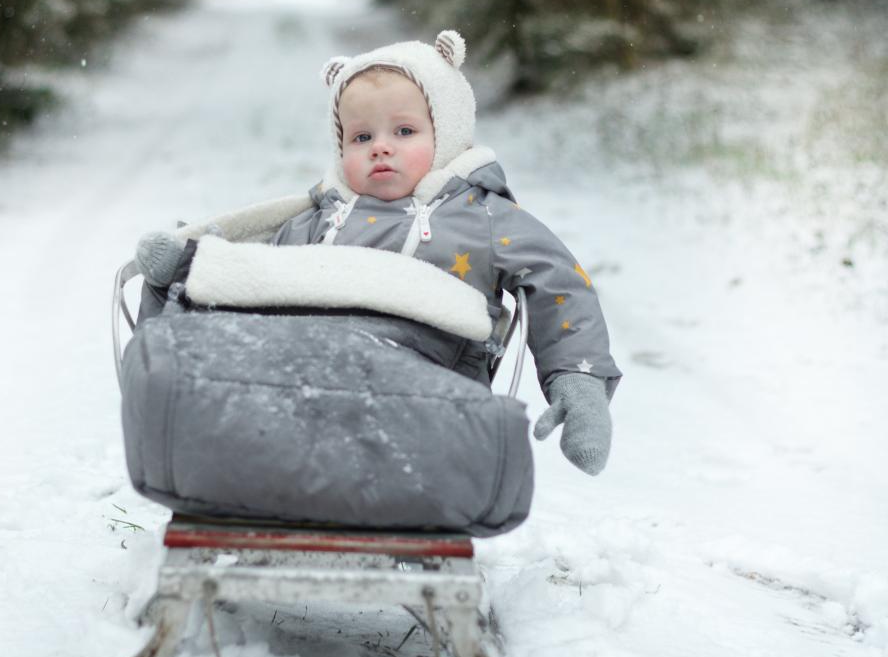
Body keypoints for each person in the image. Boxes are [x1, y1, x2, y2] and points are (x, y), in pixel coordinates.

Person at [135, 31, 621, 475]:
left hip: (428, 391)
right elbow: (256, 292)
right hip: (308, 388)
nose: (381, 149)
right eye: (362, 137)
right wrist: (191, 266)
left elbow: (558, 283)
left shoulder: (483, 217)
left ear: (447, 133)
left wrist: (578, 384)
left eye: (404, 132)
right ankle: (231, 455)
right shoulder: (316, 220)